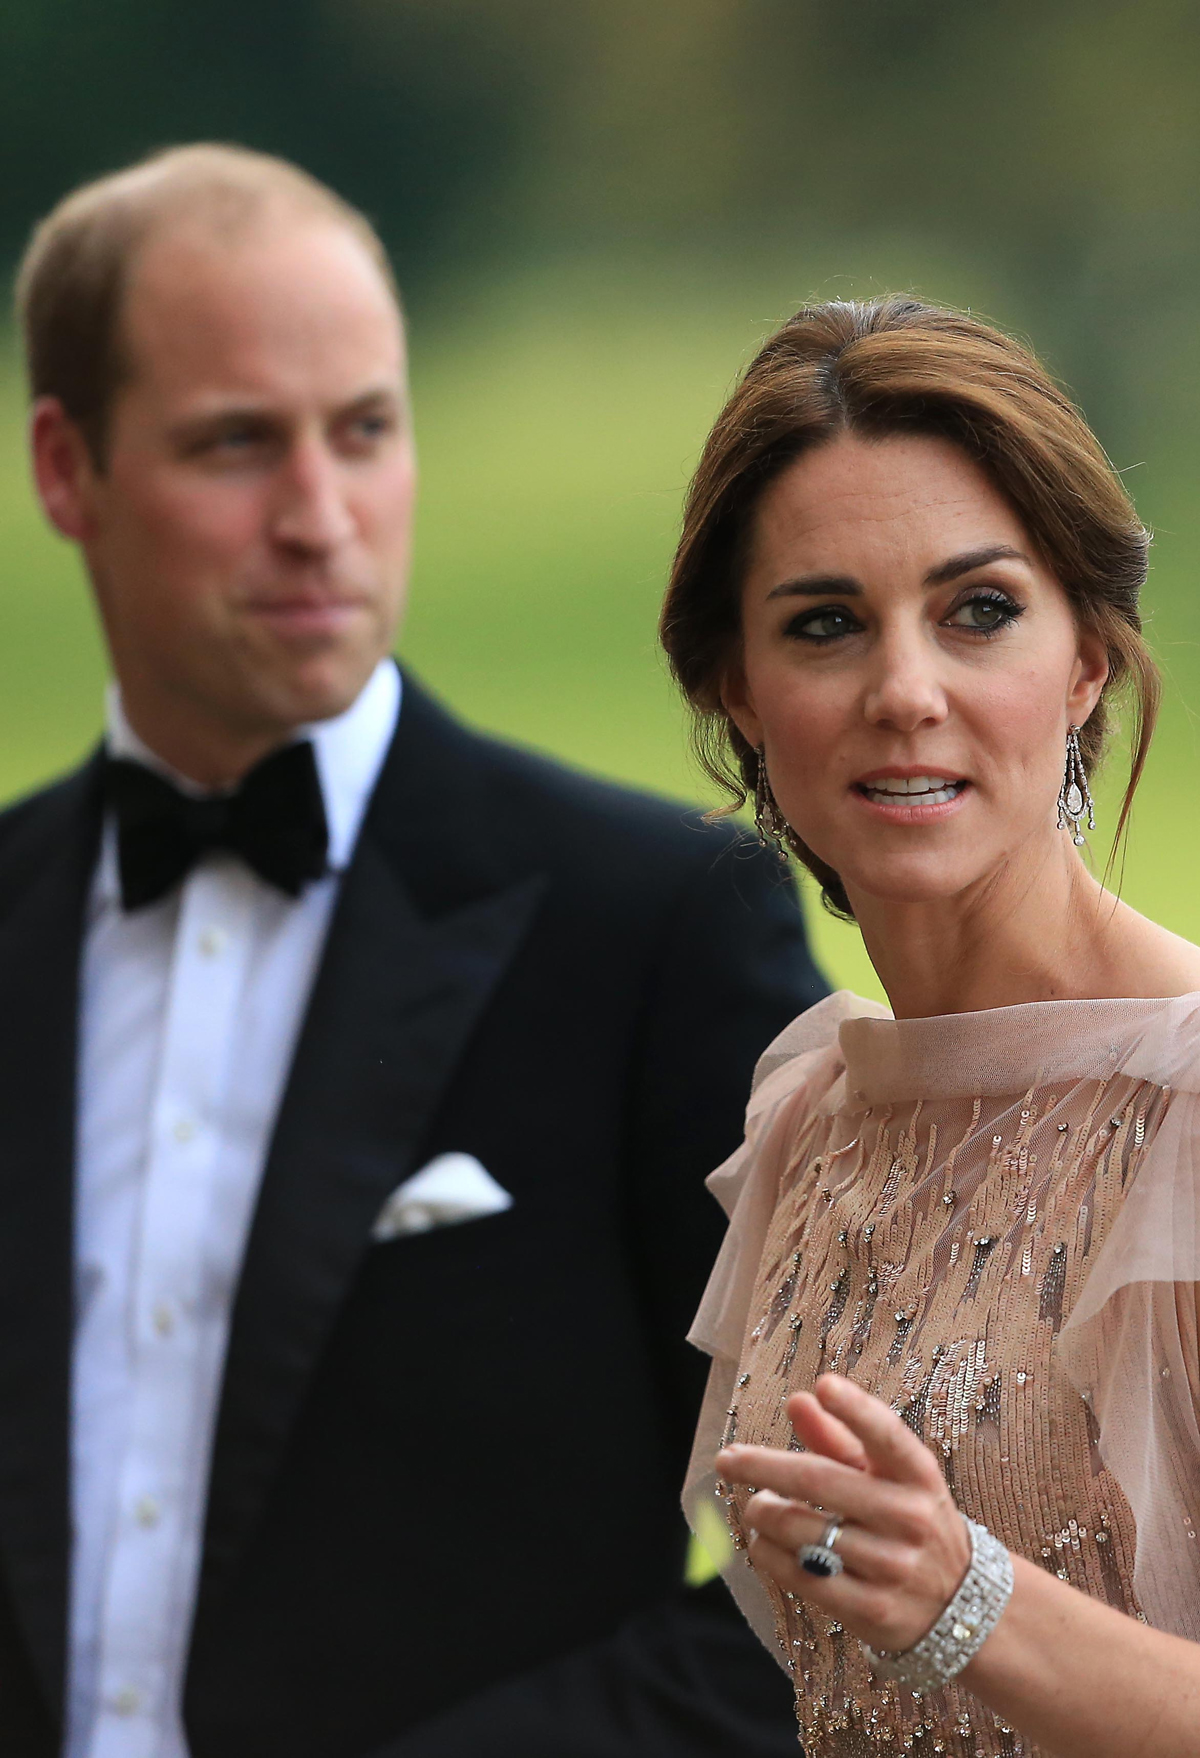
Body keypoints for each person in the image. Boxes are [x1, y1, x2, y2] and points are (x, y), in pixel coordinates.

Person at [0, 144, 826, 1758]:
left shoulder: (656, 923)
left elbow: (849, 1569)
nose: (320, 517)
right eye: (237, 444)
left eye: (365, 431)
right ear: (66, 468)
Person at [659, 295, 1200, 1758]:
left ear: (1086, 659)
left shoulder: (1191, 1105)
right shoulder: (810, 1113)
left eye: (979, 612)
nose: (907, 693)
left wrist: (973, 1599)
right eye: (826, 625)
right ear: (740, 692)